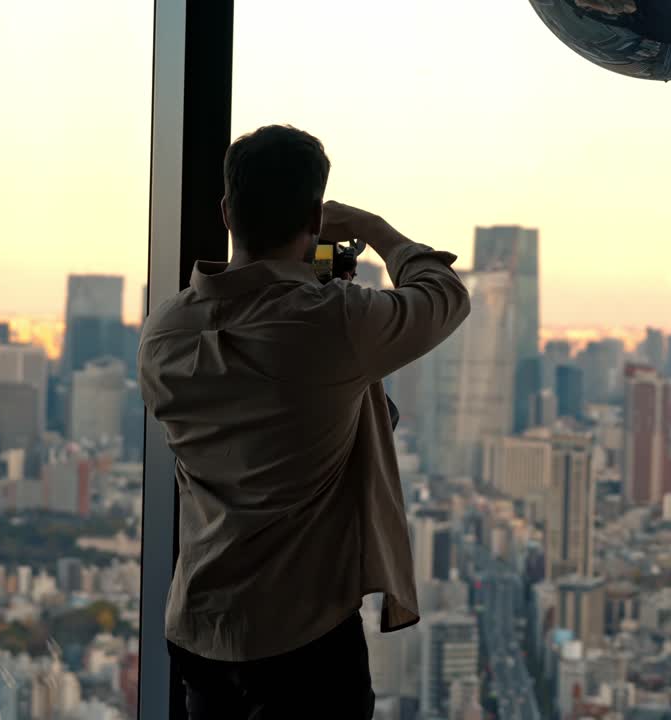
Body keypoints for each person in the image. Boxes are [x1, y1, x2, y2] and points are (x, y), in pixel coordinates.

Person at [138, 124, 471, 718]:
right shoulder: (330, 325)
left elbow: (267, 388)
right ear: (316, 219)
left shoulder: (164, 332)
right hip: (302, 638)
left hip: (200, 626)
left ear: (225, 212)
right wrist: (370, 227)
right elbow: (444, 294)